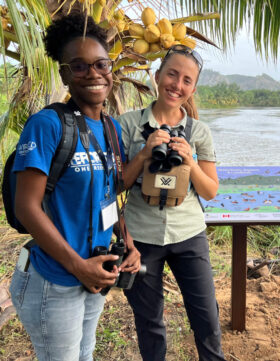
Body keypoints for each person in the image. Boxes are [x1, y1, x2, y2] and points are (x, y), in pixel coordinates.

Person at [9, 13, 140, 361]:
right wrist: (76, 266)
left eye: (101, 64)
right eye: (79, 66)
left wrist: (129, 244)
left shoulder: (110, 130)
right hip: (54, 279)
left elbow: (109, 197)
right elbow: (27, 207)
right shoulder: (47, 125)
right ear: (65, 73)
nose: (94, 74)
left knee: (85, 355)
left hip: (93, 274)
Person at [119, 44, 226, 361]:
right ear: (157, 76)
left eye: (187, 80)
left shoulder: (199, 132)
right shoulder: (127, 125)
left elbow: (209, 191)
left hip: (189, 235)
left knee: (206, 316)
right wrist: (144, 152)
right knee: (149, 321)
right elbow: (117, 184)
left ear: (193, 88)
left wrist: (191, 162)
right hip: (141, 237)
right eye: (172, 75)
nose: (177, 85)